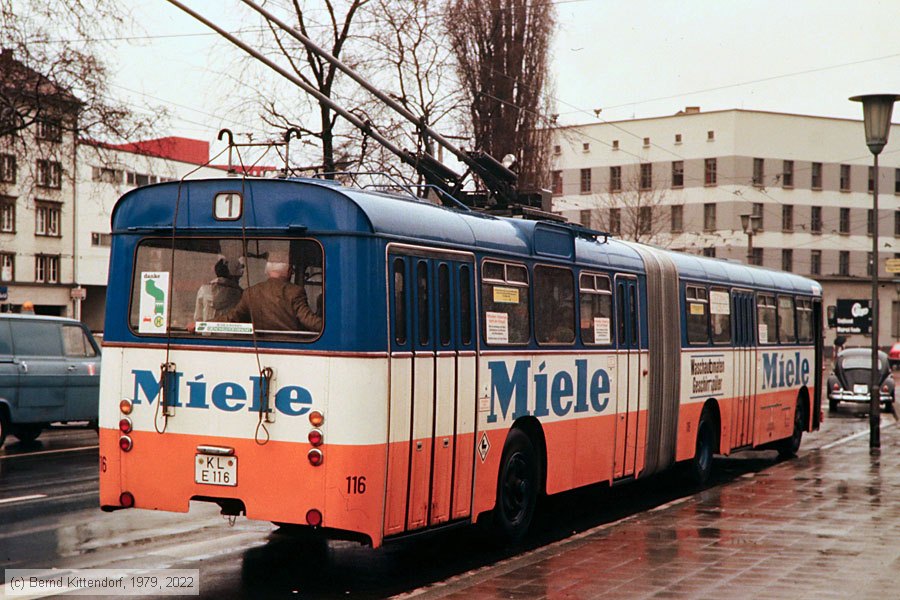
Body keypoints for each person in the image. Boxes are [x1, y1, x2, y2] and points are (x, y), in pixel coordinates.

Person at [225, 252, 322, 332]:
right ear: (289, 271)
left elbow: (232, 318)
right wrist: (332, 327)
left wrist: (210, 324)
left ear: (266, 271)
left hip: (261, 347)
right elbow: (309, 321)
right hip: (290, 348)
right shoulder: (295, 292)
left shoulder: (250, 292)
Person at [193, 256, 244, 322]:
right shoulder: (239, 294)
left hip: (207, 331)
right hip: (230, 332)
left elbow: (198, 318)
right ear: (233, 274)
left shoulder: (203, 290)